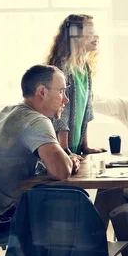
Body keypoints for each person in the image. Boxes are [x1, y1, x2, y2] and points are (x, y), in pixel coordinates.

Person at [0, 65, 80, 239]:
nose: (66, 100)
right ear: (42, 91)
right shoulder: (36, 120)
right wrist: (70, 161)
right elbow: (61, 171)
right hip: (1, 217)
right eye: (61, 91)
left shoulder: (7, 112)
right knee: (76, 205)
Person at [46, 14, 105, 155]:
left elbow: (86, 109)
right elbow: (60, 110)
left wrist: (85, 147)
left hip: (75, 149)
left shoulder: (85, 67)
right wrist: (64, 149)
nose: (96, 36)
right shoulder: (63, 67)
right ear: (76, 36)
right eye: (90, 33)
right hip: (60, 150)